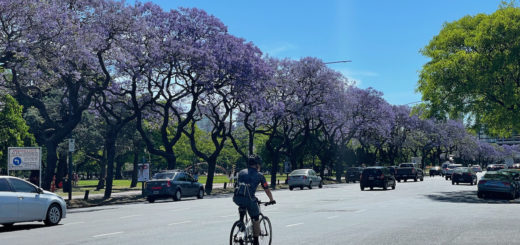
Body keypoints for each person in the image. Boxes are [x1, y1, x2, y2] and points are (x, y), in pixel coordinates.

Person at [233, 155, 275, 245]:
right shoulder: (260, 175)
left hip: (237, 197)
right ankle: (256, 241)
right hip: (249, 199)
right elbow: (266, 189)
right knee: (255, 218)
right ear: (257, 165)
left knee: (243, 204)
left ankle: (241, 222)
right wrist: (271, 199)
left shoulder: (241, 172)